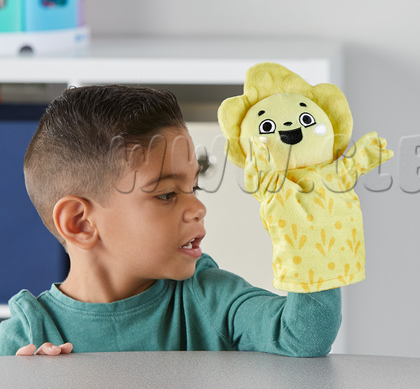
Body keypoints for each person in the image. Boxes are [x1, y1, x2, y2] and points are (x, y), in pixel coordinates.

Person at [0, 84, 340, 357]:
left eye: (194, 187)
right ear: (80, 223)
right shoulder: (24, 339)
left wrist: (311, 223)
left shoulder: (208, 299)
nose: (198, 208)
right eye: (166, 194)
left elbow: (303, 335)